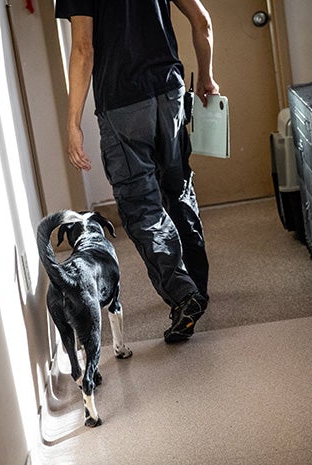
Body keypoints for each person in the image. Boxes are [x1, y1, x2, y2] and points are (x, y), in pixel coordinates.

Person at [55, 0, 220, 343]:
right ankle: (196, 290)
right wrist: (206, 76)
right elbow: (202, 21)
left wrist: (72, 124)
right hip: (170, 92)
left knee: (142, 207)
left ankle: (184, 295)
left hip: (122, 102)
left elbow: (83, 48)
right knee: (178, 192)